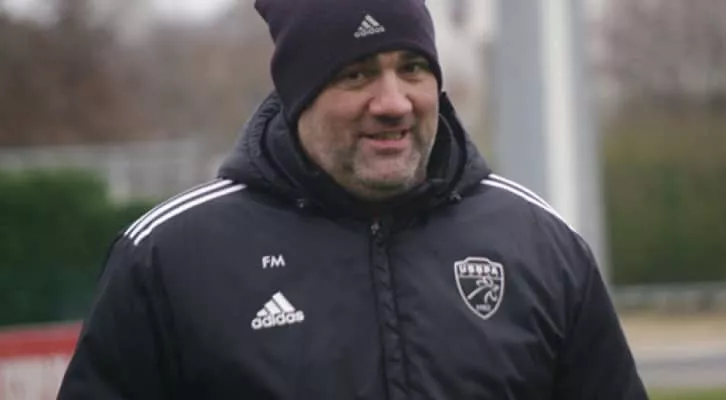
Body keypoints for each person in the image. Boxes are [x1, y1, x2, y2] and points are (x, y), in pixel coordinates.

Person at [57, 0, 649, 398]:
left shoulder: (540, 245)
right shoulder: (170, 259)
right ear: (299, 96)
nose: (393, 102)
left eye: (412, 68)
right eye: (357, 74)